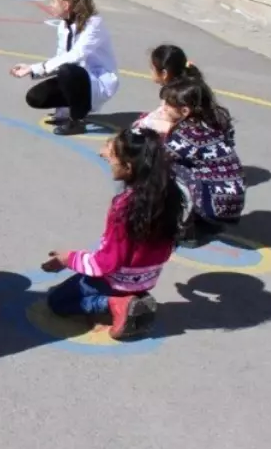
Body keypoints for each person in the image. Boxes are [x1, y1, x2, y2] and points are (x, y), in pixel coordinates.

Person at [41, 127, 181, 341]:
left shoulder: (125, 206)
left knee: (57, 302)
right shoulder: (169, 194)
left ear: (128, 167)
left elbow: (106, 263)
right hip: (148, 277)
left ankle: (115, 302)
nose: (104, 156)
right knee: (85, 283)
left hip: (116, 278)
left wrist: (67, 258)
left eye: (112, 156)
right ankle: (136, 296)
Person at [9, 0, 119, 136]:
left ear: (66, 5)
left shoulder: (94, 24)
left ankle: (77, 121)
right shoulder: (64, 26)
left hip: (97, 82)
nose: (50, 4)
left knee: (68, 70)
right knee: (35, 97)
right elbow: (60, 58)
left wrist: (35, 67)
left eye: (54, 0)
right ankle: (67, 110)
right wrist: (32, 70)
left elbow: (75, 56)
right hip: (76, 77)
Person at [148, 77, 245, 247]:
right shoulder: (217, 123)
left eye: (167, 105)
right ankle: (205, 222)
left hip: (214, 205)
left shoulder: (189, 134)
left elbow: (160, 156)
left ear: (185, 111)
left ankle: (186, 228)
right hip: (232, 202)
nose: (162, 109)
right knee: (195, 170)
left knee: (164, 170)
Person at [134, 44, 205, 133]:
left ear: (164, 74)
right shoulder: (185, 86)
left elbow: (173, 125)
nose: (150, 71)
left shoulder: (177, 96)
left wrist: (146, 124)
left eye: (152, 68)